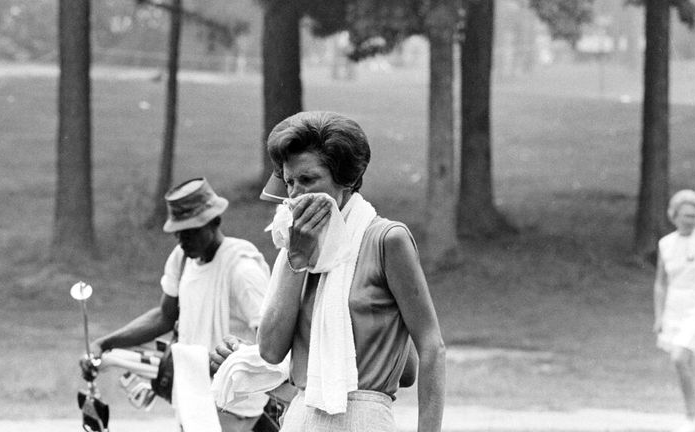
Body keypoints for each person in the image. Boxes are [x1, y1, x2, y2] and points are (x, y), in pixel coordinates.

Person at [250, 111, 445, 431]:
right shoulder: (294, 247)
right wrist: (295, 259)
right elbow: (270, 350)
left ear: (346, 178)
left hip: (363, 418)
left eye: (309, 179)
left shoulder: (386, 240)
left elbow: (430, 347)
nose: (296, 194)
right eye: (289, 182)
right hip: (303, 416)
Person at [80, 177, 271, 432]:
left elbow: (270, 341)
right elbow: (164, 316)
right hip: (193, 397)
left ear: (215, 221)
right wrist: (105, 343)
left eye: (191, 232)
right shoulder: (182, 259)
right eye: (178, 233)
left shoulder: (242, 269)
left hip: (233, 405)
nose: (183, 241)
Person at [654, 189, 695, 432]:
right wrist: (658, 316)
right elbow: (660, 282)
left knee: (679, 357)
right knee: (686, 361)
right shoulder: (665, 244)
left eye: (694, 216)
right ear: (673, 216)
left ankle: (691, 417)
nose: (690, 220)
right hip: (675, 305)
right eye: (685, 215)